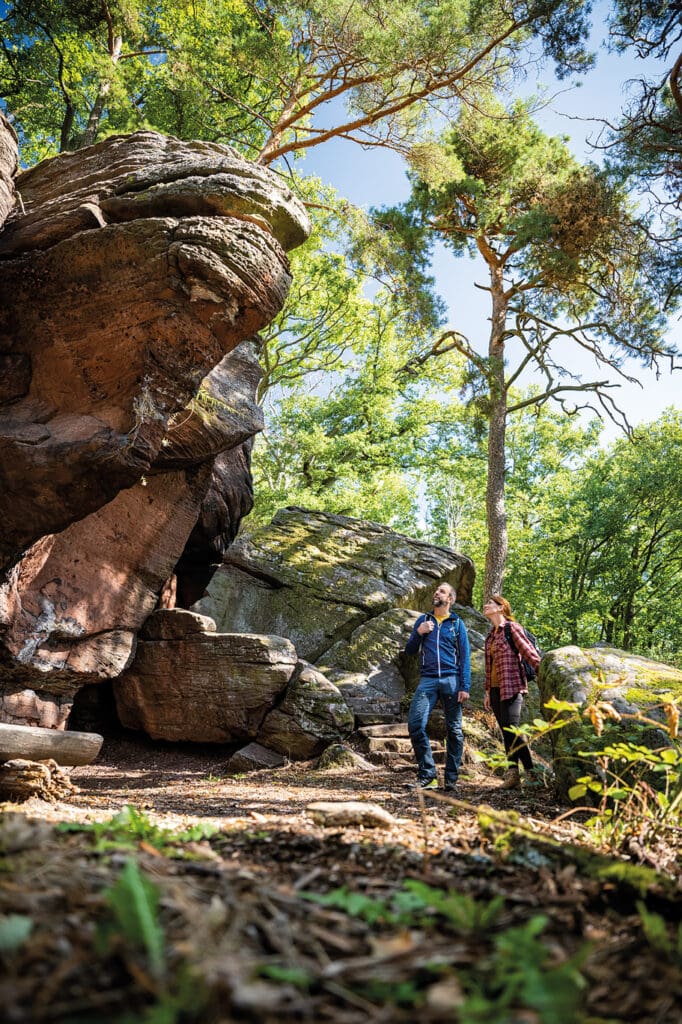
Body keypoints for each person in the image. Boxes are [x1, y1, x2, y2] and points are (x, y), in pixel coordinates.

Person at [404, 582, 471, 791]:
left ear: (449, 599)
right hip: (428, 680)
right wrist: (419, 632)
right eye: (436, 590)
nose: (436, 592)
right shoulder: (423, 620)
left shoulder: (457, 624)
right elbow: (410, 650)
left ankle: (451, 779)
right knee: (415, 724)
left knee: (455, 730)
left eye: (441, 591)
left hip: (452, 680)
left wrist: (465, 686)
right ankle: (428, 775)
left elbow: (465, 657)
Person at [482, 595, 541, 790]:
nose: (486, 606)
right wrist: (488, 692)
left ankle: (526, 774)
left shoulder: (512, 628)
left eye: (490, 604)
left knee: (512, 729)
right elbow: (488, 667)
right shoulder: (491, 635)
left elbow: (528, 652)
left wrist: (544, 671)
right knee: (507, 731)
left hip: (513, 685)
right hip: (496, 689)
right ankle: (518, 774)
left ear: (501, 608)